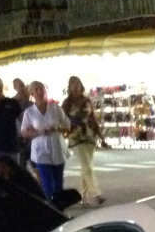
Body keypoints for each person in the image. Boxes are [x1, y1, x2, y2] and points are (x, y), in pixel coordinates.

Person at [19, 80, 69, 200]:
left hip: (57, 148)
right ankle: (51, 207)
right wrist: (36, 132)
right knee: (47, 184)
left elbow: (67, 125)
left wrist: (57, 129)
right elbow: (23, 132)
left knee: (58, 182)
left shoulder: (55, 108)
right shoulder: (29, 112)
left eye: (41, 88)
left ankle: (59, 207)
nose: (40, 91)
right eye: (36, 89)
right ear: (32, 93)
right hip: (40, 151)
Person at [62, 76, 105, 206]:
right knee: (87, 165)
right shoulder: (67, 102)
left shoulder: (87, 100)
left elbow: (93, 118)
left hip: (89, 135)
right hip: (75, 136)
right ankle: (96, 194)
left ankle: (84, 198)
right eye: (72, 84)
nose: (75, 86)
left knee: (87, 166)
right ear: (69, 87)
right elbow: (63, 119)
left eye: (77, 83)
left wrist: (101, 136)